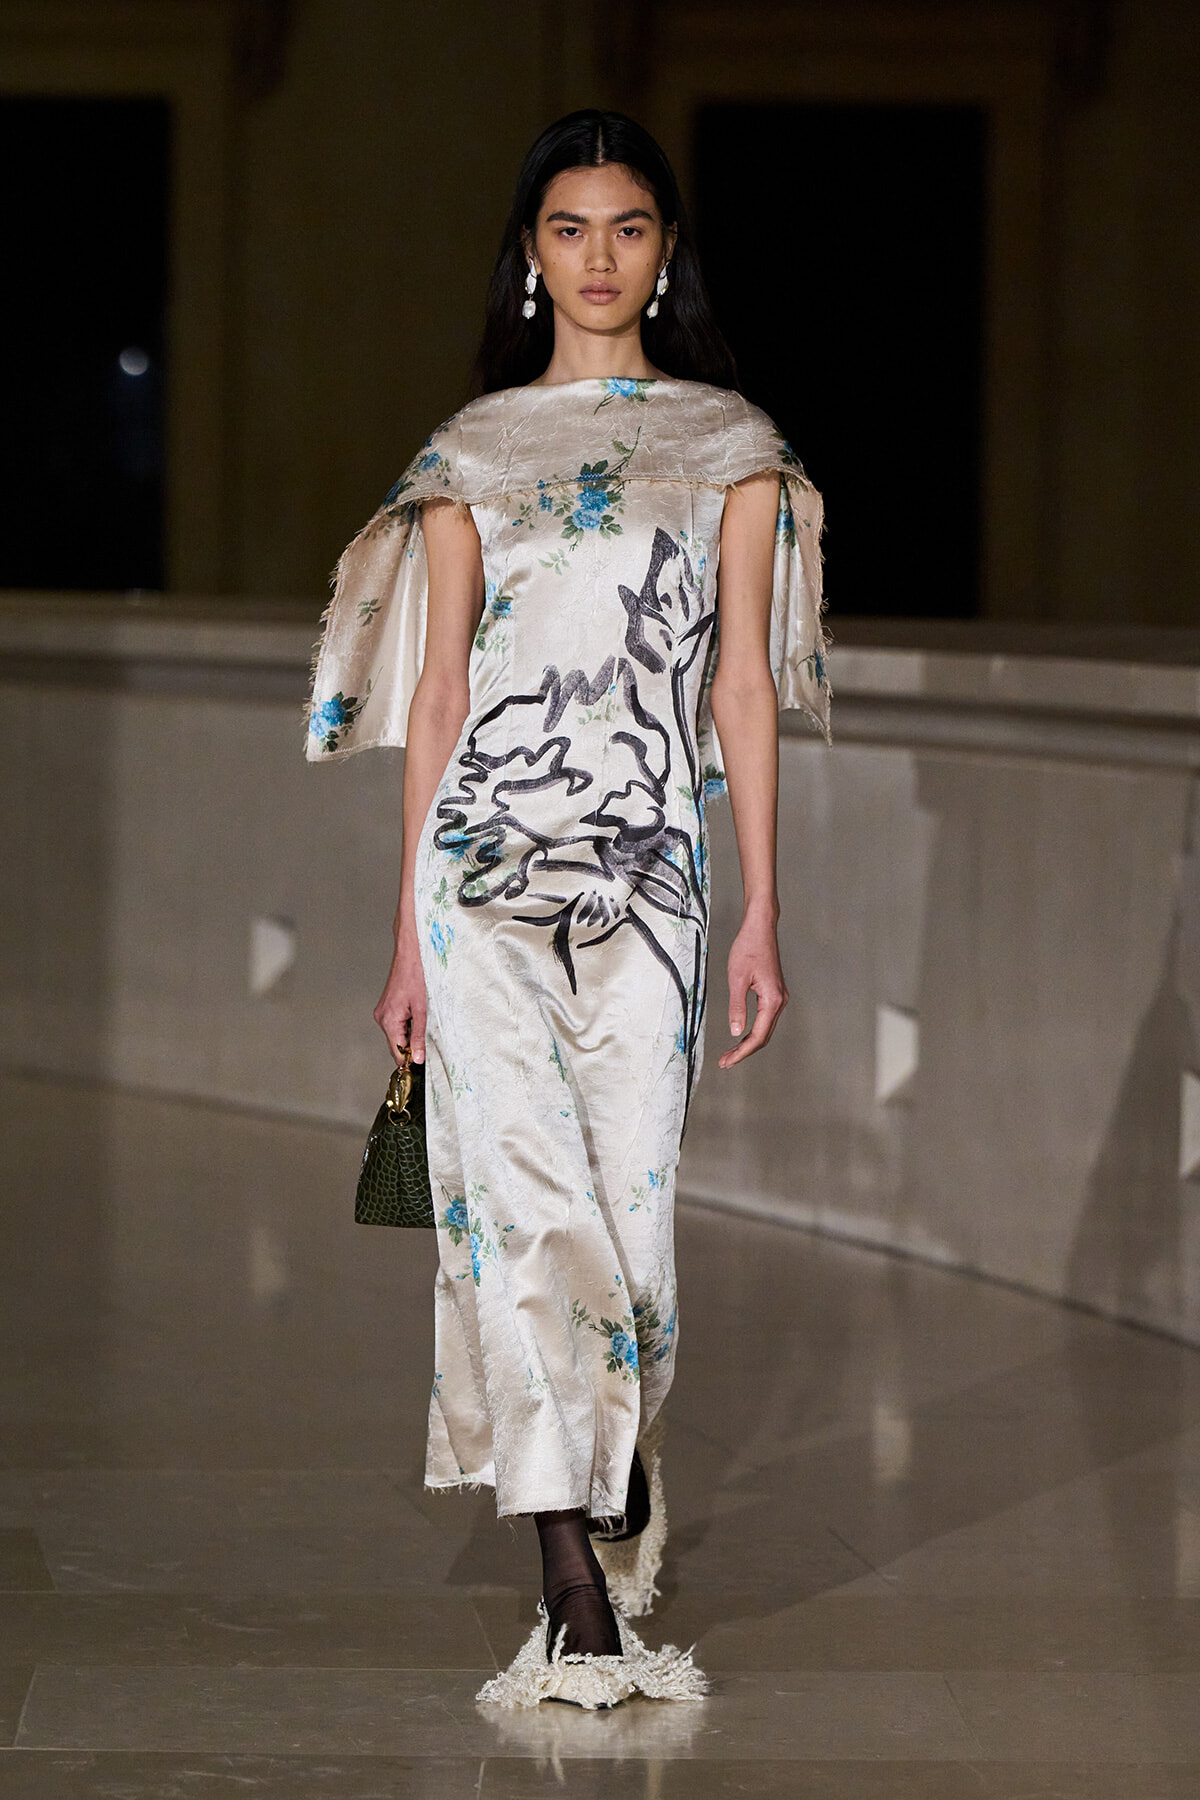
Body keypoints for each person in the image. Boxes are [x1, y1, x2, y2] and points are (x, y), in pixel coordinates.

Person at [307, 109, 829, 1709]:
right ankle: (569, 1580)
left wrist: (762, 909)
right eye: (567, 228)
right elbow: (439, 692)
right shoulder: (472, 453)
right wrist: (407, 930)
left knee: (635, 1226)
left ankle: (616, 1449)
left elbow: (742, 687)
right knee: (523, 1209)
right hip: (482, 875)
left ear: (665, 255)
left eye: (628, 227)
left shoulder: (731, 448)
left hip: (654, 878)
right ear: (529, 257)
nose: (598, 257)